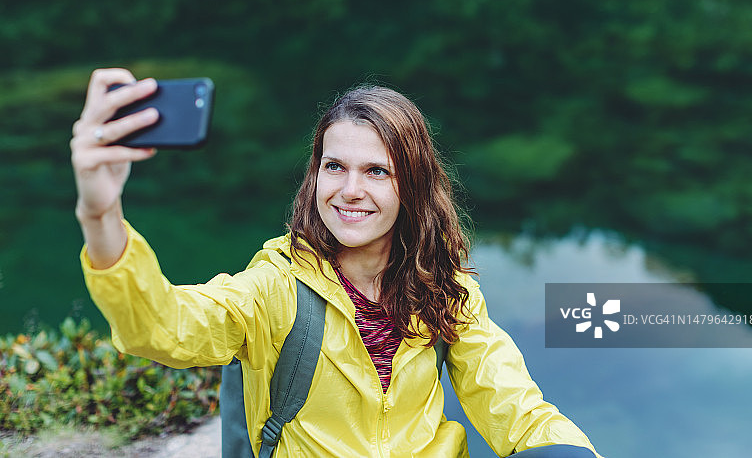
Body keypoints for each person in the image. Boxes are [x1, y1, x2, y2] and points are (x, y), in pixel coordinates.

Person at [71, 68, 603, 457]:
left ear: (411, 187)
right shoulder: (275, 287)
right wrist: (101, 213)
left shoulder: (447, 289)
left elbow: (513, 406)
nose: (350, 191)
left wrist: (569, 451)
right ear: (315, 176)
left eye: (376, 171)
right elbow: (164, 327)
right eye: (335, 167)